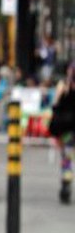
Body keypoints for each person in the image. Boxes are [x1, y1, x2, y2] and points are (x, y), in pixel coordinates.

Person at [51, 63, 75, 204]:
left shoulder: (63, 86)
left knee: (67, 157)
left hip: (67, 129)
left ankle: (66, 183)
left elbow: (55, 105)